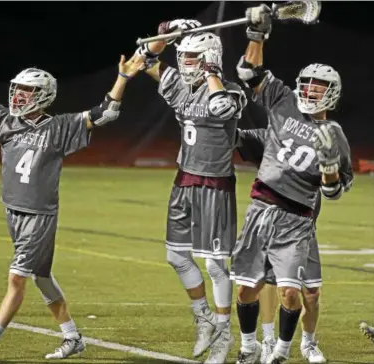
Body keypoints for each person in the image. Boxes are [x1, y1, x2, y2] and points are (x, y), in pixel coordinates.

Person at [0, 26, 144, 360]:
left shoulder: (59, 128)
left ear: (42, 95)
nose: (17, 96)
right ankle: (73, 338)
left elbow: (106, 112)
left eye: (26, 92)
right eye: (17, 90)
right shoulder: (6, 122)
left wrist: (122, 78)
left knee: (17, 279)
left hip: (39, 216)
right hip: (13, 210)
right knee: (42, 278)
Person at [232, 4, 353, 363]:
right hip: (261, 209)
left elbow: (333, 191)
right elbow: (248, 71)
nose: (312, 91)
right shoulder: (283, 99)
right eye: (309, 84)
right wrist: (257, 33)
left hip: (296, 218)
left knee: (290, 294)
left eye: (321, 87)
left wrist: (330, 172)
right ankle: (249, 346)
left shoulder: (334, 134)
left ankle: (283, 352)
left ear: (332, 93)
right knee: (246, 289)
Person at [134, 19, 247, 363]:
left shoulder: (229, 89)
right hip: (184, 180)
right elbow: (145, 58)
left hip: (214, 183)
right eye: (183, 56)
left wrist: (212, 71)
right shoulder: (179, 86)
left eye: (193, 57)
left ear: (211, 59)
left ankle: (224, 335)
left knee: (215, 264)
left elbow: (222, 107)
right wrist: (168, 31)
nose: (184, 63)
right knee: (176, 256)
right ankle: (205, 320)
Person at [236, 128, 326, 363]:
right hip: (271, 224)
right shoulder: (274, 136)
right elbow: (239, 137)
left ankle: (309, 343)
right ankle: (267, 341)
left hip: (304, 226)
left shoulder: (323, 139)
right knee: (265, 284)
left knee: (312, 294)